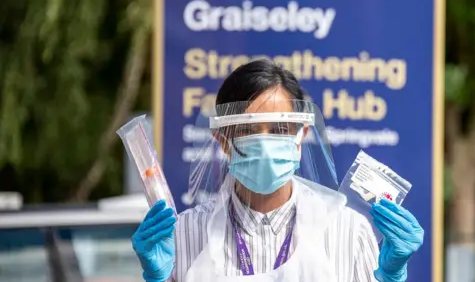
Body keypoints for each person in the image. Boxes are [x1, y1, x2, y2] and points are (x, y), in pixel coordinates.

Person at [130, 59, 424, 282]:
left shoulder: (346, 230)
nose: (266, 141)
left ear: (300, 136)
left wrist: (389, 275)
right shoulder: (185, 234)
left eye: (279, 128)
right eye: (248, 130)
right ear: (222, 141)